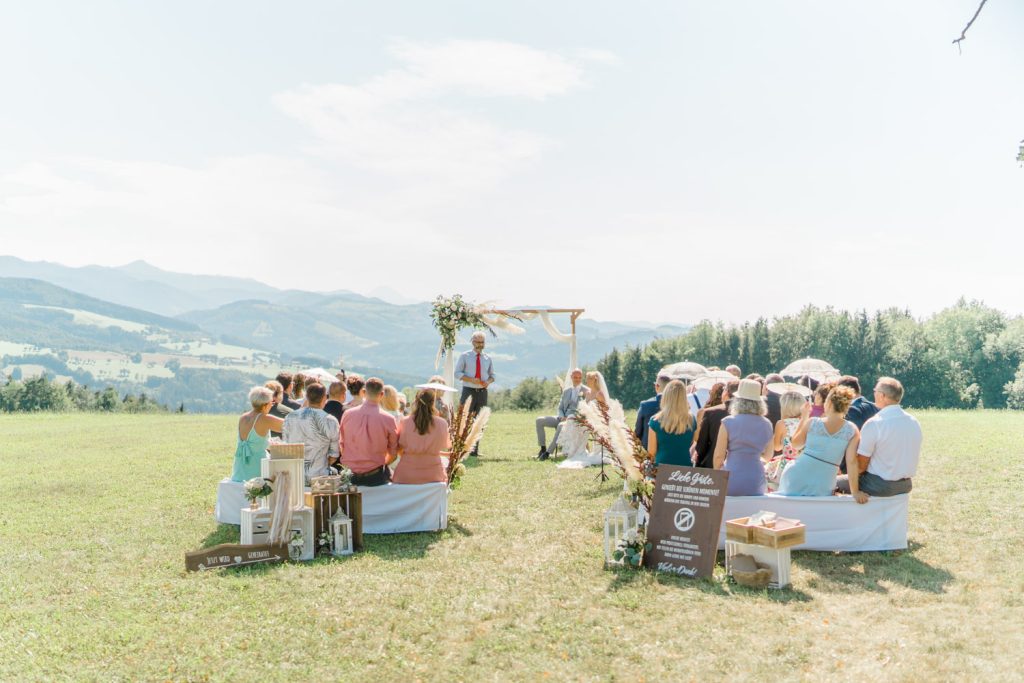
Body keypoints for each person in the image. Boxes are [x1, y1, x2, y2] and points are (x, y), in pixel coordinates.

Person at [837, 377, 922, 498]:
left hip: (879, 485)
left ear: (882, 396)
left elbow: (860, 466)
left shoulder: (875, 423)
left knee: (833, 483)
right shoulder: (914, 421)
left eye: (875, 391)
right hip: (906, 484)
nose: (874, 394)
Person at [777, 386, 863, 499]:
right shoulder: (852, 430)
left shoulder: (813, 422)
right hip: (824, 483)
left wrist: (804, 417)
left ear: (829, 403)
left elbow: (796, 445)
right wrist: (855, 492)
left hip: (797, 475)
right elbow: (851, 462)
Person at [713, 379, 773, 495]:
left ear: (738, 400)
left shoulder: (727, 422)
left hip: (731, 476)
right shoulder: (767, 424)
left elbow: (718, 456)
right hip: (756, 478)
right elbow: (768, 455)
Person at [339, 377, 398, 486]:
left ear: (364, 392)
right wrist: (380, 464)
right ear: (382, 394)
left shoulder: (347, 414)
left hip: (349, 476)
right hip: (375, 477)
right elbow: (393, 453)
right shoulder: (389, 419)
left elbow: (341, 444)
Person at [282, 382, 339, 482]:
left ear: (307, 397)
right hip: (320, 477)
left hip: (294, 475)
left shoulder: (290, 417)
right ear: (324, 398)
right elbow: (334, 455)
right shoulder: (330, 420)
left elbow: (285, 446)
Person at [393, 389, 451, 484]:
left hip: (406, 475)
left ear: (416, 401)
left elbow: (400, 449)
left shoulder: (405, 422)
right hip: (434, 475)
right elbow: (438, 447)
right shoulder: (442, 423)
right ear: (433, 403)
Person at [556, 371, 611, 469]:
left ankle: (578, 450)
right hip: (588, 419)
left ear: (595, 380)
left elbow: (606, 410)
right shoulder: (588, 393)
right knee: (572, 419)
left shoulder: (599, 393)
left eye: (590, 378)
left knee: (576, 424)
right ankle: (575, 450)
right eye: (587, 378)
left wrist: (597, 417)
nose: (587, 380)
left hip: (598, 421)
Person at [231, 386, 284, 482]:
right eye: (271, 403)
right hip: (257, 468)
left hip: (240, 469)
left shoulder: (243, 417)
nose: (271, 405)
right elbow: (289, 425)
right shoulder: (264, 418)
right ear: (264, 405)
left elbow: (255, 441)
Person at [455, 331, 494, 456]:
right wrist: (471, 380)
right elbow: (457, 373)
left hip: (482, 393)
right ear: (472, 342)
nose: (480, 345)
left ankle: (474, 450)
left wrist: (488, 382)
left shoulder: (488, 358)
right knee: (464, 419)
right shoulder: (464, 356)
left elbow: (492, 376)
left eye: (482, 342)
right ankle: (461, 449)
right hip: (468, 391)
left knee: (480, 421)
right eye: (478, 342)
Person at [536, 368, 588, 460]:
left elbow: (586, 410)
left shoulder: (586, 391)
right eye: (575, 377)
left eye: (579, 377)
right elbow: (560, 408)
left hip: (574, 420)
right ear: (571, 377)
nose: (577, 379)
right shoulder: (567, 390)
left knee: (560, 425)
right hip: (562, 417)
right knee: (539, 420)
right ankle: (543, 449)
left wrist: (571, 418)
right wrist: (562, 416)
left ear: (581, 378)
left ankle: (548, 453)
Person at [648, 380, 696, 467]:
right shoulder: (692, 420)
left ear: (665, 396)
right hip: (685, 468)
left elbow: (651, 452)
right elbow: (693, 442)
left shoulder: (655, 420)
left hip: (661, 468)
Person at [693, 379, 740, 468]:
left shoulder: (710, 412)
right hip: (737, 466)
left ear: (726, 392)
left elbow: (702, 444)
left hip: (711, 464)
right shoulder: (748, 416)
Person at [765, 391, 806, 491]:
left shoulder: (782, 423)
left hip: (787, 466)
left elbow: (777, 447)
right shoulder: (807, 422)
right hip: (804, 463)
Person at [634, 373, 672, 450]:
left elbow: (637, 432)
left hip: (648, 451)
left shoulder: (645, 405)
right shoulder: (676, 406)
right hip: (669, 451)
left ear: (656, 386)